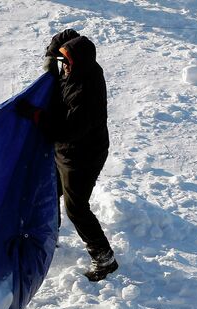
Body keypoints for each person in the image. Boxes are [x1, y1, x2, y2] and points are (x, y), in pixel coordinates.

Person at [17, 29, 118, 282]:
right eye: (60, 62)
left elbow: (67, 130)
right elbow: (68, 35)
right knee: (50, 191)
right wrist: (54, 56)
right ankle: (50, 236)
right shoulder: (79, 66)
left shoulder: (84, 91)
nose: (60, 67)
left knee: (76, 208)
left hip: (82, 157)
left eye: (64, 63)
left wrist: (36, 115)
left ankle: (105, 258)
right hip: (66, 152)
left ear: (76, 64)